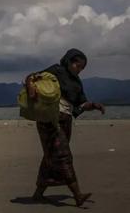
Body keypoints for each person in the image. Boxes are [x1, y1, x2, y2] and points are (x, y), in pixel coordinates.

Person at [25, 48, 105, 207]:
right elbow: (31, 77)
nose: (79, 69)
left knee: (51, 156)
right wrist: (30, 86)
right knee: (63, 156)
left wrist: (94, 105)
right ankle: (78, 195)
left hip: (66, 120)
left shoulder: (77, 82)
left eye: (82, 68)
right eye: (77, 65)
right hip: (49, 119)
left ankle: (38, 194)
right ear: (69, 61)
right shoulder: (56, 70)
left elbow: (81, 104)